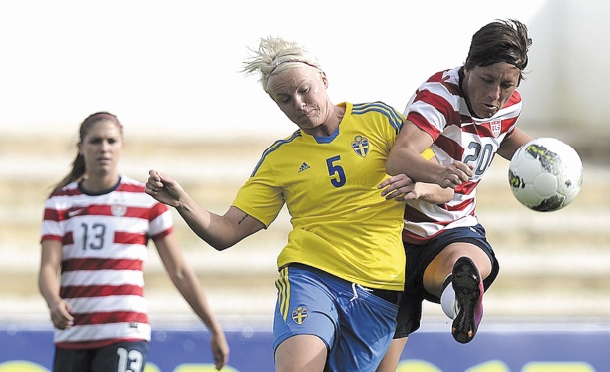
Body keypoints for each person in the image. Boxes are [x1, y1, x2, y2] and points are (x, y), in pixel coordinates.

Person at [144, 37, 452, 372]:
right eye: (285, 99)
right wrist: (183, 202)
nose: (299, 104)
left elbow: (445, 189)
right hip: (312, 277)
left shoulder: (379, 119)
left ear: (323, 78)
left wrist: (420, 188)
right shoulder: (280, 158)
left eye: (304, 90)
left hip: (379, 284)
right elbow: (226, 232)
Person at [377, 19, 534, 370]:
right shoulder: (439, 96)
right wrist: (439, 173)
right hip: (397, 236)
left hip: (454, 227)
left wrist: (543, 158)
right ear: (468, 66)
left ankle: (461, 295)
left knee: (471, 260)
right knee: (381, 366)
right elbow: (399, 157)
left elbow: (503, 135)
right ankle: (456, 291)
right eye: (487, 81)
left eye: (507, 84)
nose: (495, 96)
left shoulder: (509, 105)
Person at [38, 112, 229, 372]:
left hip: (125, 331)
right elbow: (49, 266)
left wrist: (213, 327)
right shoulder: (60, 202)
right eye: (95, 141)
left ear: (122, 147)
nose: (104, 148)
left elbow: (179, 271)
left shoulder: (146, 199)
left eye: (111, 141)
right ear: (80, 147)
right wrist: (53, 302)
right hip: (73, 335)